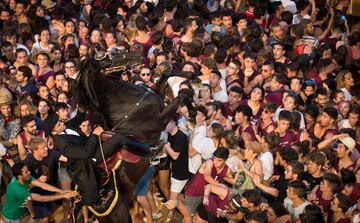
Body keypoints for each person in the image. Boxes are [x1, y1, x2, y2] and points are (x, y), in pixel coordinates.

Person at [49, 117, 156, 205]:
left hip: (91, 148)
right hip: (88, 160)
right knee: (118, 138)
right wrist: (95, 134)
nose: (61, 122)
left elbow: (80, 121)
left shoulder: (66, 127)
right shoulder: (61, 143)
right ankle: (149, 151)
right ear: (53, 132)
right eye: (58, 124)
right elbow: (86, 153)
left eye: (59, 121)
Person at [1, 162, 77, 223]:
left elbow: (42, 185)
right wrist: (63, 196)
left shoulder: (25, 177)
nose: (29, 172)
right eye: (26, 171)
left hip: (19, 212)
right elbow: (41, 199)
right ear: (19, 176)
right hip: (11, 217)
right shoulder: (18, 189)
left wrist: (62, 191)